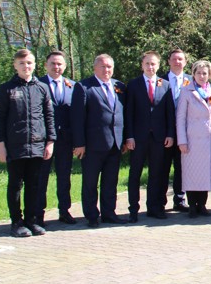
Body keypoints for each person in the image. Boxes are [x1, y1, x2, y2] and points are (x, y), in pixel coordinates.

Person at [0, 49, 56, 237]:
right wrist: (0, 144)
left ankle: (31, 221)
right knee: (15, 185)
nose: (26, 66)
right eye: (22, 63)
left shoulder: (42, 88)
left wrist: (50, 141)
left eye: (29, 63)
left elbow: (49, 116)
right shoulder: (7, 89)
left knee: (34, 185)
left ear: (35, 65)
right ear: (15, 65)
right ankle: (16, 223)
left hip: (38, 145)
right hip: (15, 146)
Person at [71, 54, 130, 228]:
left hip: (115, 143)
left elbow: (122, 114)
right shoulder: (84, 87)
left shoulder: (119, 86)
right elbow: (77, 118)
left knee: (110, 181)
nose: (107, 70)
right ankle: (91, 215)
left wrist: (125, 139)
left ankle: (109, 213)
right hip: (92, 145)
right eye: (103, 67)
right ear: (95, 68)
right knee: (90, 182)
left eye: (110, 67)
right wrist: (79, 143)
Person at [124, 51, 176, 221]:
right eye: (147, 64)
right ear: (142, 65)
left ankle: (154, 207)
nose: (150, 67)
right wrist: (129, 136)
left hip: (159, 138)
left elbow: (170, 113)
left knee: (157, 174)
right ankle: (133, 209)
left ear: (159, 66)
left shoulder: (165, 85)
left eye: (153, 64)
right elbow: (128, 113)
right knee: (135, 174)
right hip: (138, 138)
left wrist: (170, 134)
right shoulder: (133, 85)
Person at [176, 60, 211, 217]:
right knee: (192, 173)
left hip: (209, 139)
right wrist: (181, 140)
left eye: (205, 73)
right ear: (193, 74)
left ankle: (202, 205)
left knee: (205, 174)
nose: (202, 76)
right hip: (192, 140)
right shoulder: (186, 92)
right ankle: (192, 206)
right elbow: (180, 118)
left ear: (209, 74)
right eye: (199, 73)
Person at [36, 50, 76, 226]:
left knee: (64, 176)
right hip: (43, 140)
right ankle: (38, 214)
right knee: (40, 178)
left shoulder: (72, 86)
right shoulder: (37, 84)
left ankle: (64, 211)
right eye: (53, 63)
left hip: (66, 140)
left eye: (60, 64)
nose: (56, 67)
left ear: (65, 66)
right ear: (46, 65)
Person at [162, 49, 191, 212]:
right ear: (168, 61)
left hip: (185, 133)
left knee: (182, 168)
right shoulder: (160, 80)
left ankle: (180, 199)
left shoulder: (191, 80)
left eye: (180, 59)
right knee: (163, 167)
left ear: (185, 62)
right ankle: (160, 201)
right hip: (165, 132)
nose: (177, 62)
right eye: (174, 59)